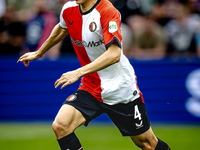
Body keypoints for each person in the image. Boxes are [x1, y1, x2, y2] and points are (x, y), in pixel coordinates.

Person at [17, 0, 171, 150]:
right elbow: (62, 28)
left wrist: (78, 72)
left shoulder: (108, 12)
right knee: (61, 126)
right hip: (91, 86)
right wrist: (39, 52)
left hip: (120, 89)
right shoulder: (69, 9)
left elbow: (114, 54)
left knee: (148, 144)